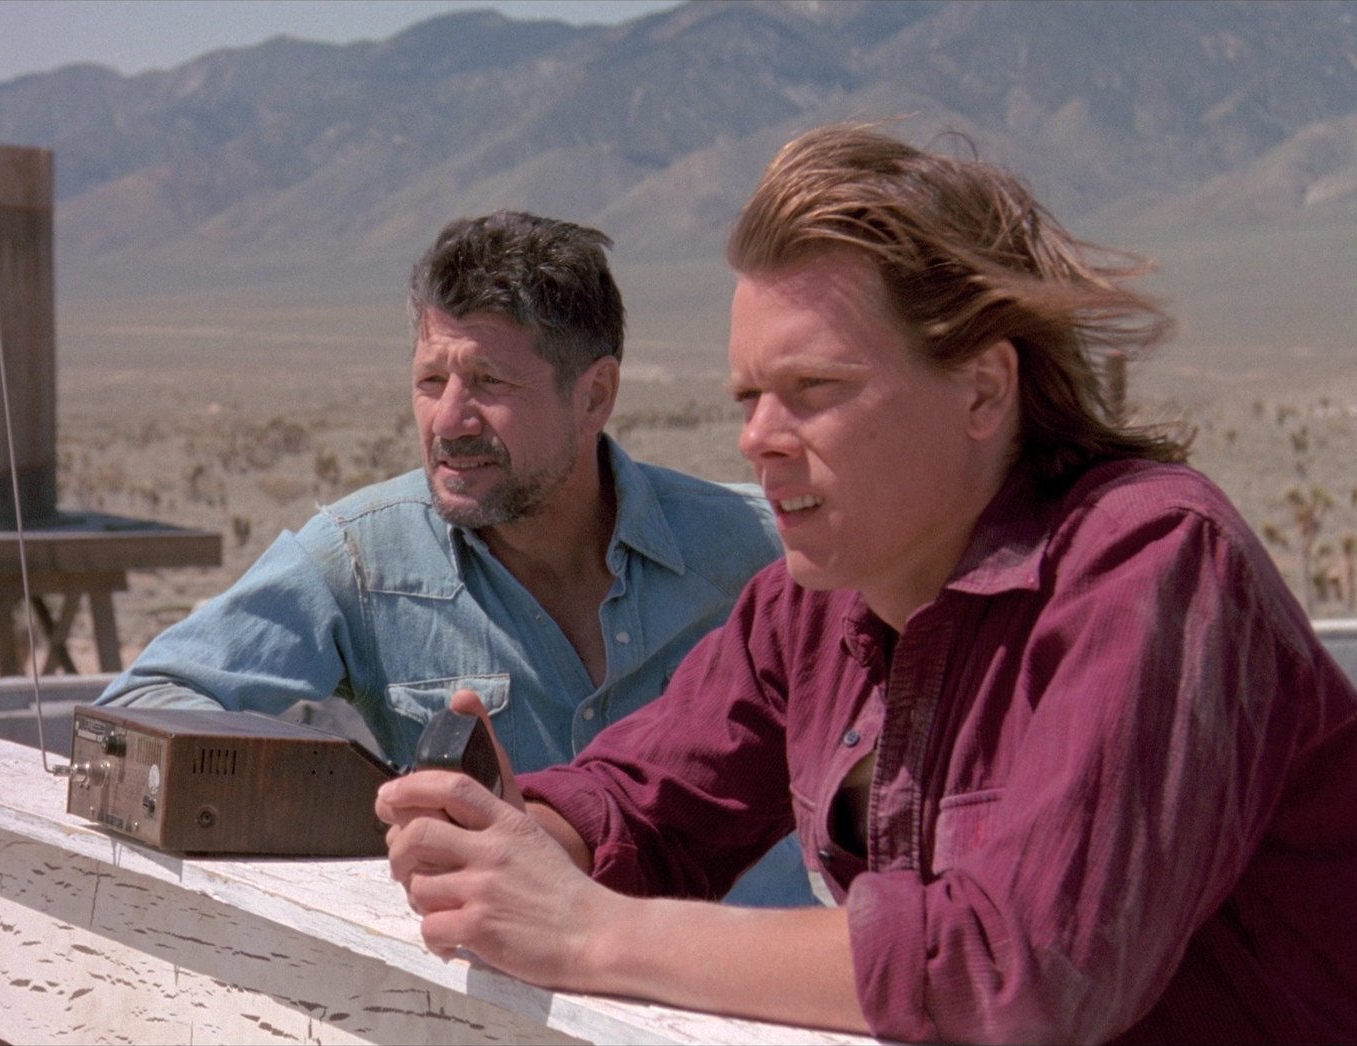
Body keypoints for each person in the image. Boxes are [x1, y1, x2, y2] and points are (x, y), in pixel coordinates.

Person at [377, 125, 1357, 1044]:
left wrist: (592, 933)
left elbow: (1019, 968)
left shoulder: (1147, 568)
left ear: (983, 390)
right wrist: (514, 843)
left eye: (815, 390)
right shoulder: (815, 602)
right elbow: (644, 803)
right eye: (750, 397)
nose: (758, 438)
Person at [99, 210, 808, 904]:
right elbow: (142, 707)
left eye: (490, 382)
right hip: (494, 975)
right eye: (431, 381)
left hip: (750, 973)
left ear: (594, 396)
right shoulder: (363, 560)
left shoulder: (764, 547)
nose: (449, 419)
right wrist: (362, 811)